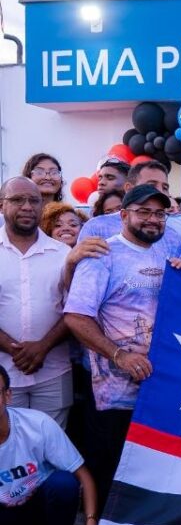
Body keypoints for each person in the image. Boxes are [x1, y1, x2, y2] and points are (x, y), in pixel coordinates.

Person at [64, 184, 181, 510]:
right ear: (123, 215)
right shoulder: (102, 255)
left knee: (151, 479)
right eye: (143, 211)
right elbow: (76, 317)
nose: (152, 219)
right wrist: (120, 355)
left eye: (159, 213)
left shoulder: (168, 255)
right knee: (111, 478)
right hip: (114, 397)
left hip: (160, 392)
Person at [0, 366, 98, 525]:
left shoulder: (37, 424)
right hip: (3, 513)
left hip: (39, 508)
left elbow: (83, 476)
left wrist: (91, 522)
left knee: (63, 484)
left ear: (7, 396)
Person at [0, 177, 72, 428]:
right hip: (3, 374)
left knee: (53, 446)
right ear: (1, 205)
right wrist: (13, 349)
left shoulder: (63, 254)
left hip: (53, 371)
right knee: (8, 450)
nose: (27, 206)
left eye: (34, 200)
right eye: (17, 199)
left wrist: (43, 346)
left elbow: (74, 310)